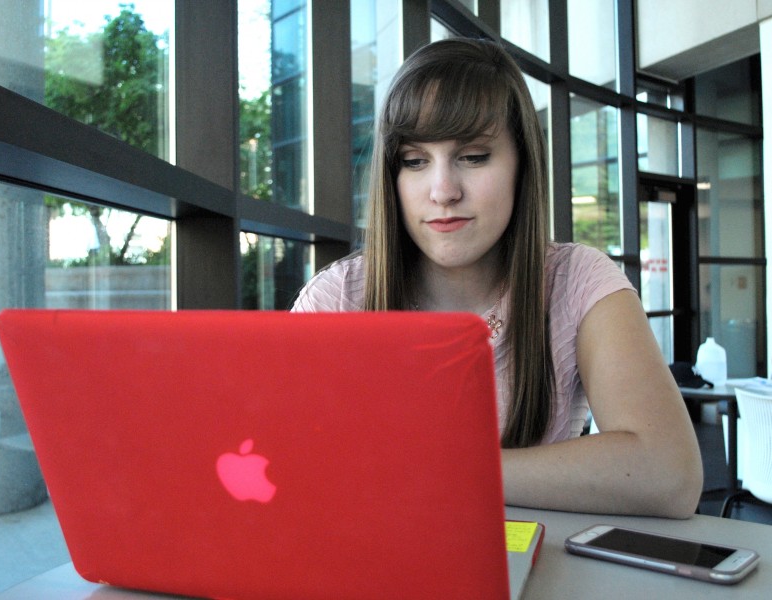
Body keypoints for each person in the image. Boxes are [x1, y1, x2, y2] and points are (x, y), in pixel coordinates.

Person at [291, 37, 703, 518]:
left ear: (521, 167)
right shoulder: (337, 298)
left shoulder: (578, 281)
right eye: (414, 161)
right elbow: (288, 467)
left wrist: (440, 470)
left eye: (473, 156)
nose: (443, 190)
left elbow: (668, 475)